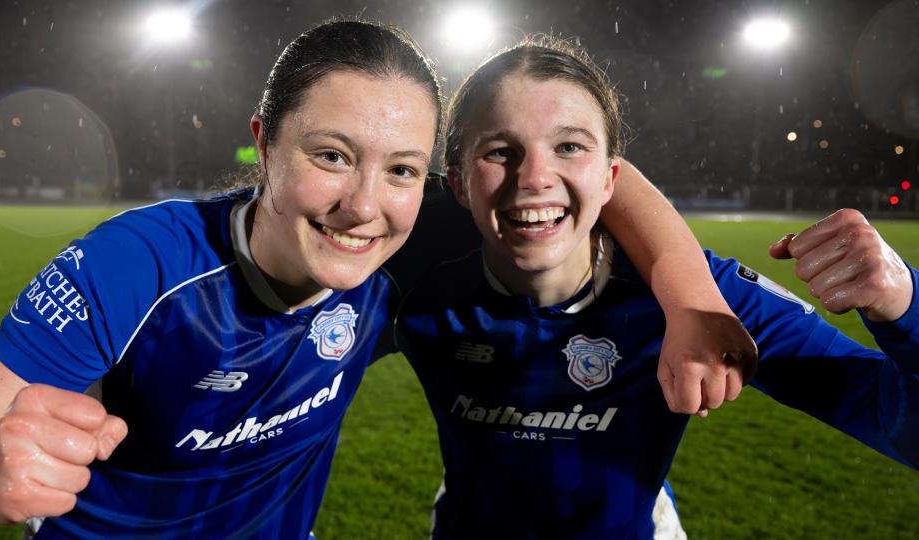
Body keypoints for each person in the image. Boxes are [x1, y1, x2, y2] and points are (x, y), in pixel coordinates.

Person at [0, 19, 754, 539]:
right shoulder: (139, 264)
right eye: (330, 155)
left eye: (401, 168)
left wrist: (689, 298)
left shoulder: (398, 241)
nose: (362, 206)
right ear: (264, 143)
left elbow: (599, 176)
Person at [394, 35, 919, 539]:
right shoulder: (409, 279)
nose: (535, 176)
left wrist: (906, 309)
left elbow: (901, 430)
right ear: (458, 181)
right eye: (500, 151)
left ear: (610, 179)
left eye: (570, 146)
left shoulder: (704, 297)